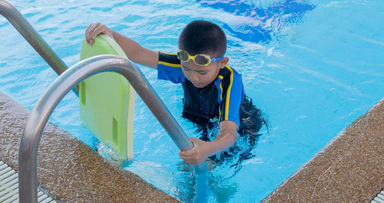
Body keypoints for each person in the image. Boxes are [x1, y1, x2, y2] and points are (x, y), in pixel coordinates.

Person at [85, 20, 265, 165]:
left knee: (206, 168)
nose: (194, 77)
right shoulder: (183, 64)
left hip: (239, 125)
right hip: (202, 116)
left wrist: (207, 149)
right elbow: (140, 53)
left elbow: (229, 133)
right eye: (187, 70)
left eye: (202, 72)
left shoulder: (230, 81)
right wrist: (111, 34)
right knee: (192, 163)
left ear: (222, 62)